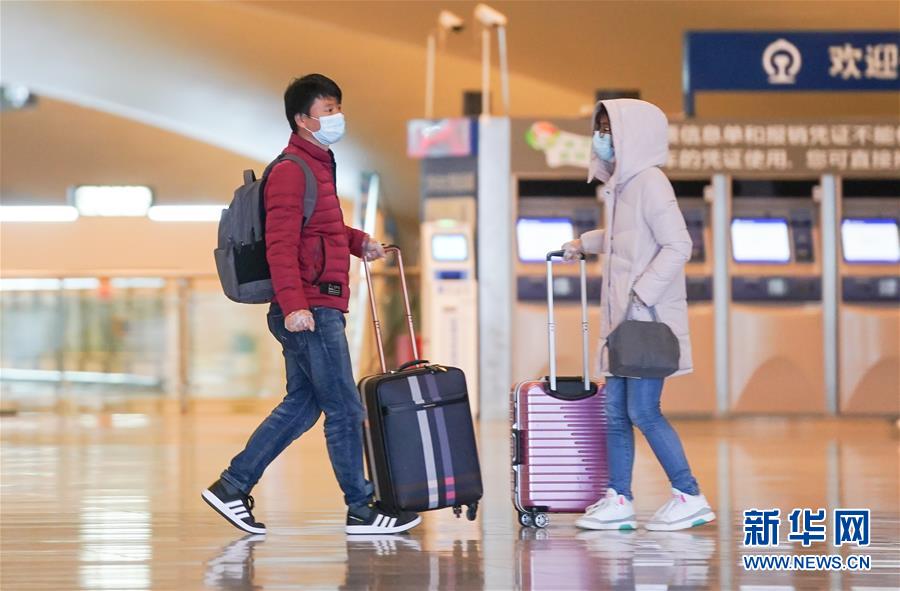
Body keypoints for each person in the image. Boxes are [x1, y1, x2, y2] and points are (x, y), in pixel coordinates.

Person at [202, 74, 421, 536]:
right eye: (328, 110)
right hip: (310, 308)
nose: (337, 117)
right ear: (303, 120)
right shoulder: (291, 171)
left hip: (317, 303)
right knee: (344, 408)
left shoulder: (318, 164)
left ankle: (232, 486)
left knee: (304, 406)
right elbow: (280, 245)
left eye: (338, 107)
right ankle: (361, 507)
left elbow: (322, 230)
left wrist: (360, 243)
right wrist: (294, 305)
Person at [563, 99, 715, 532]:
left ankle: (689, 495)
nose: (602, 138)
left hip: (645, 321)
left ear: (634, 135)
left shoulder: (650, 182)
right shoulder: (624, 185)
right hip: (623, 323)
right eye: (599, 129)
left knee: (644, 411)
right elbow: (623, 237)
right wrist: (583, 243)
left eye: (609, 129)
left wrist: (643, 293)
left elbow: (678, 245)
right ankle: (619, 497)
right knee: (615, 412)